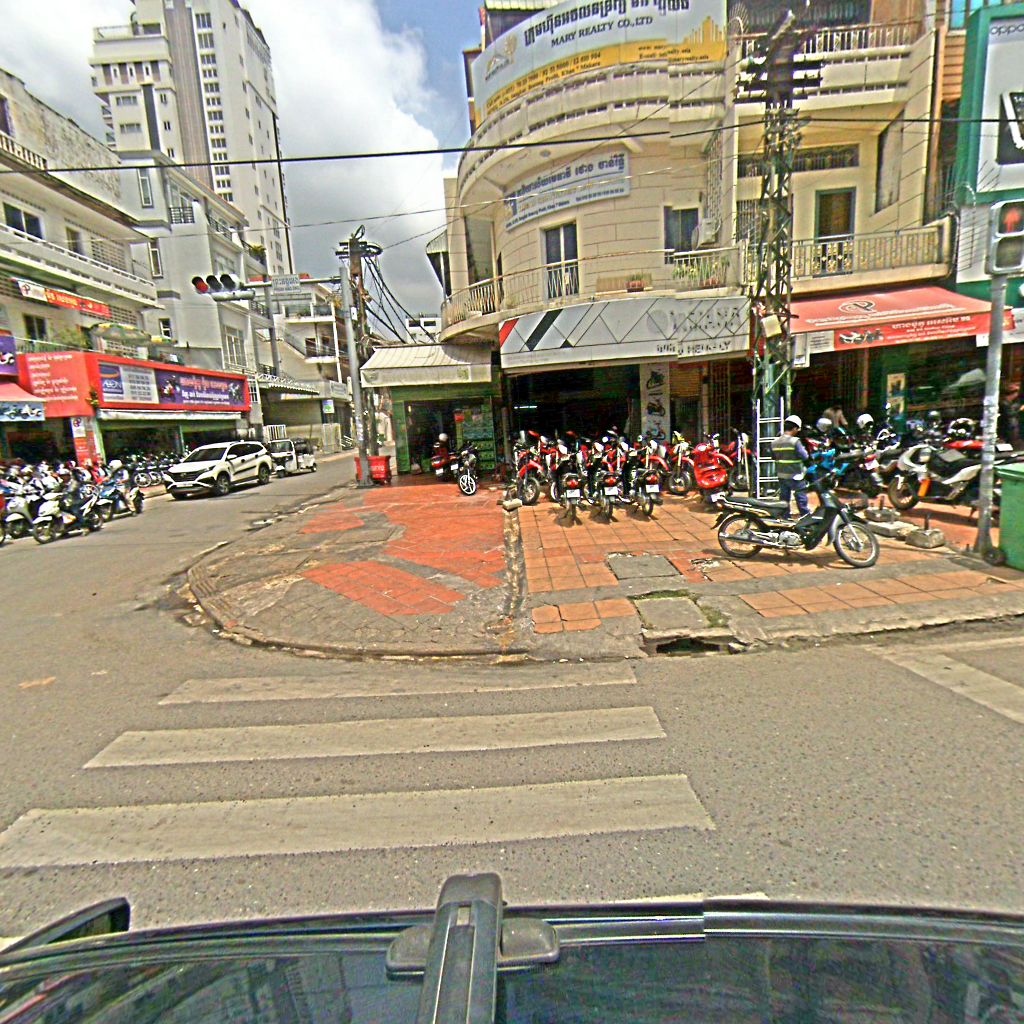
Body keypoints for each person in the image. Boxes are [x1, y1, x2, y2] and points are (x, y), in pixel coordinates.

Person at [771, 415, 811, 517]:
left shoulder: (774, 442)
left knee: (784, 499)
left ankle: (785, 518)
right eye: (798, 429)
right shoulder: (795, 441)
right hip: (796, 475)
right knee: (801, 498)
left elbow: (773, 457)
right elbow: (805, 456)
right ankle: (805, 517)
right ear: (794, 428)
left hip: (782, 475)